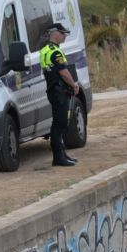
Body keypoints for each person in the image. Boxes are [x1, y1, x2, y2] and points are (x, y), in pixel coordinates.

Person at [38, 23, 80, 169]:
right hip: (59, 92)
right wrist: (74, 84)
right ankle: (58, 158)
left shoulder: (45, 50)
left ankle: (62, 155)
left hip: (53, 91)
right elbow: (63, 72)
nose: (65, 36)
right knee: (60, 125)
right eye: (63, 33)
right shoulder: (55, 52)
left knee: (59, 124)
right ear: (55, 33)